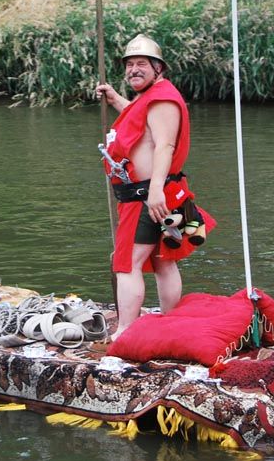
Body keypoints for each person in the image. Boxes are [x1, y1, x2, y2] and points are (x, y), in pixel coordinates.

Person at [96, 35, 215, 340]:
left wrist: (155, 191)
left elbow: (165, 145)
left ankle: (125, 333)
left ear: (158, 68)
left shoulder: (162, 98)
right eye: (129, 64)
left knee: (127, 264)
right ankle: (169, 325)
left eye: (141, 64)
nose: (134, 69)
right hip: (153, 193)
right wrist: (116, 100)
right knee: (163, 261)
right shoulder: (151, 98)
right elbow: (142, 124)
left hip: (148, 196)